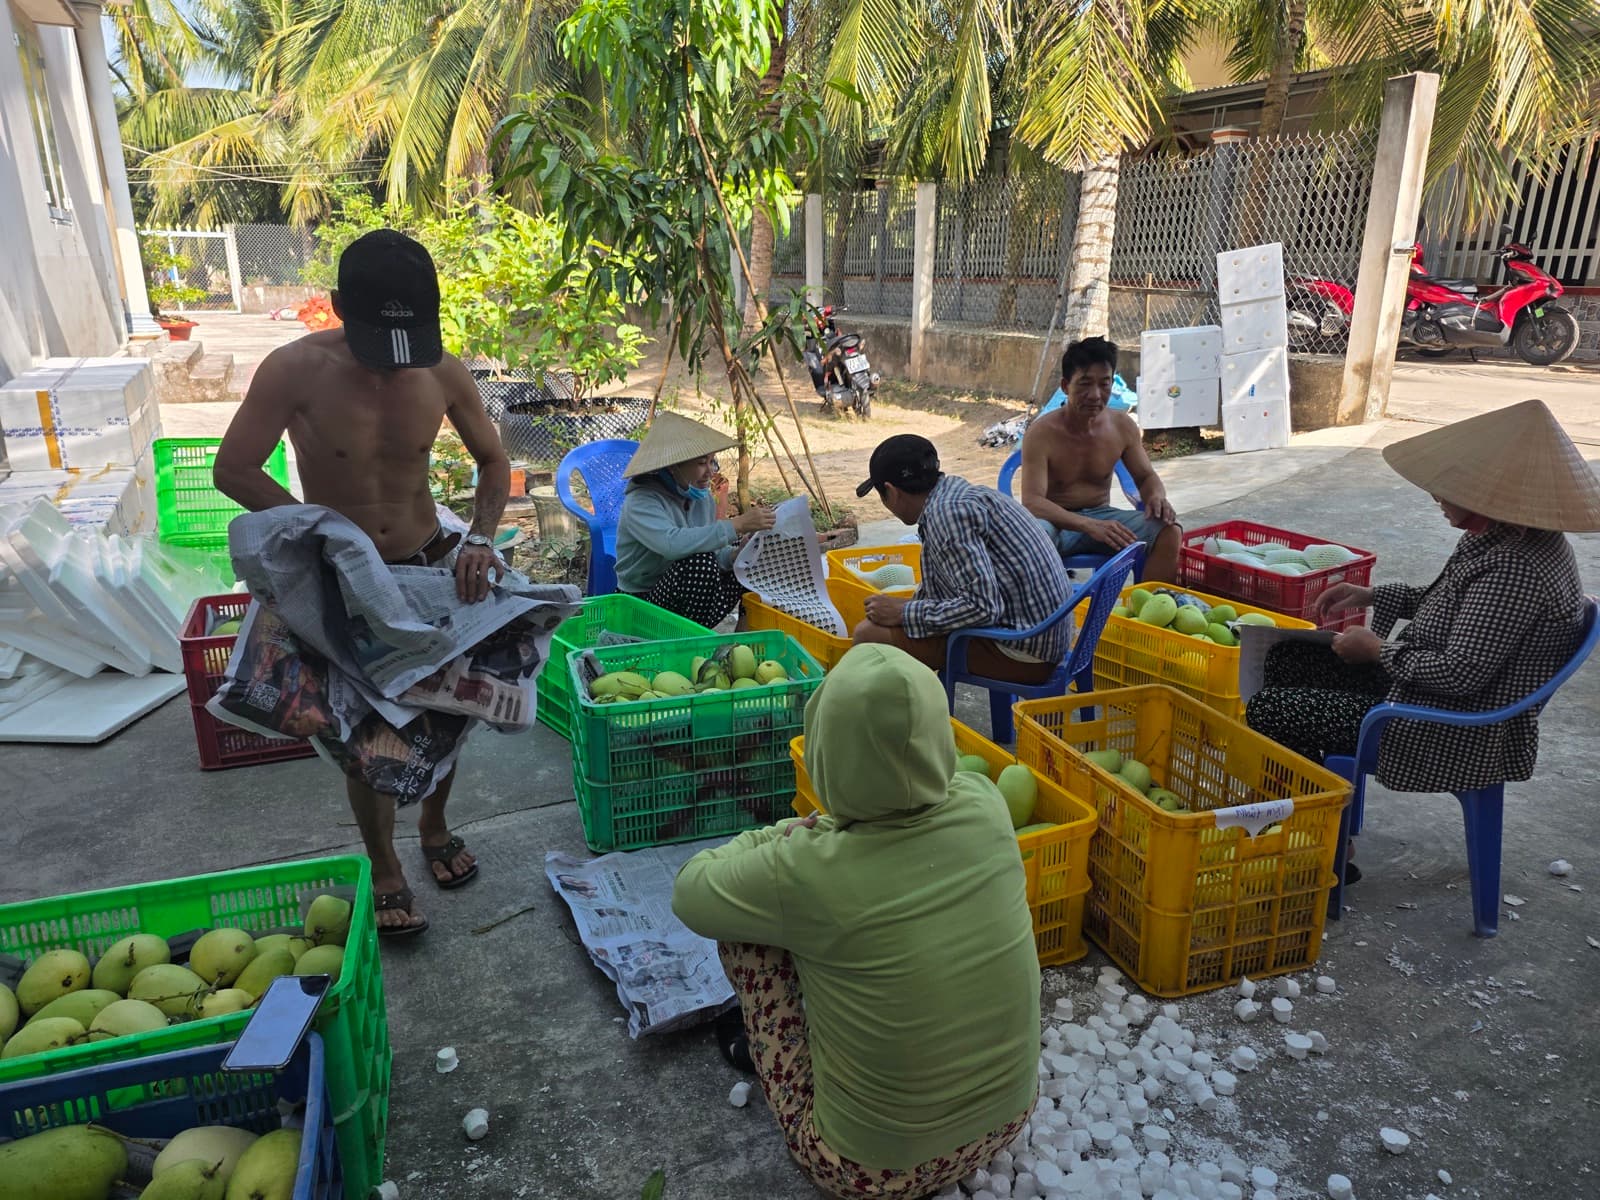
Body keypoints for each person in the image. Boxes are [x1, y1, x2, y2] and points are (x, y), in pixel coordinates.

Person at [214, 228, 505, 935]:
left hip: (427, 563)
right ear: (338, 306)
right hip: (343, 582)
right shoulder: (293, 369)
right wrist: (317, 529)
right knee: (367, 737)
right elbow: (234, 468)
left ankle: (435, 826)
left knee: (444, 716)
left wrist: (481, 537)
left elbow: (494, 463)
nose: (393, 364)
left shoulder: (444, 372)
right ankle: (385, 864)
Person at [672, 643, 1040, 1199]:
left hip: (867, 1171)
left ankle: (771, 1056)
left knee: (745, 931)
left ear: (826, 754)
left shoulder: (805, 869)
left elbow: (691, 890)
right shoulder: (985, 802)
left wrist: (784, 834)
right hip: (1007, 1121)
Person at [1245, 400, 1596, 881]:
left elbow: (1461, 674)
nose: (1436, 497)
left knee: (1273, 710)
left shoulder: (1516, 569)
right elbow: (1448, 600)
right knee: (1288, 659)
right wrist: (1371, 594)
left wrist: (1378, 651)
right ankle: (1318, 823)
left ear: (1489, 495)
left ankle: (1318, 849)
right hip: (1426, 686)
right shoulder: (1503, 535)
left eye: (1449, 490)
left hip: (1448, 723)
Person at [852, 434, 1070, 684]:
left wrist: (905, 612)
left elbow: (983, 607)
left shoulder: (946, 517)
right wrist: (906, 608)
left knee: (868, 635)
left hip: (1025, 653)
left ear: (891, 492)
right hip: (1042, 635)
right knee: (900, 621)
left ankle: (905, 707)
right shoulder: (956, 496)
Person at [1020, 336, 1181, 581]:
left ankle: (1148, 601)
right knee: (1030, 540)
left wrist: (1156, 497)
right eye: (1085, 384)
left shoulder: (1122, 426)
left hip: (1103, 517)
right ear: (1065, 386)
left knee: (1169, 531)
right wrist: (1087, 524)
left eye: (1104, 384)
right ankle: (1050, 605)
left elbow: (1145, 476)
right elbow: (1032, 502)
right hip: (1055, 522)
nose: (1095, 395)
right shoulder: (1041, 433)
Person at [614, 412, 775, 626]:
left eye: (712, 462)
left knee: (749, 558)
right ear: (673, 467)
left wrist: (735, 555)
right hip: (640, 604)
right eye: (701, 463)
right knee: (699, 563)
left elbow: (712, 550)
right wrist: (738, 524)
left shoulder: (700, 498)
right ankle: (690, 638)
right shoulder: (641, 501)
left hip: (685, 599)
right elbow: (672, 544)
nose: (710, 472)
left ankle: (741, 634)